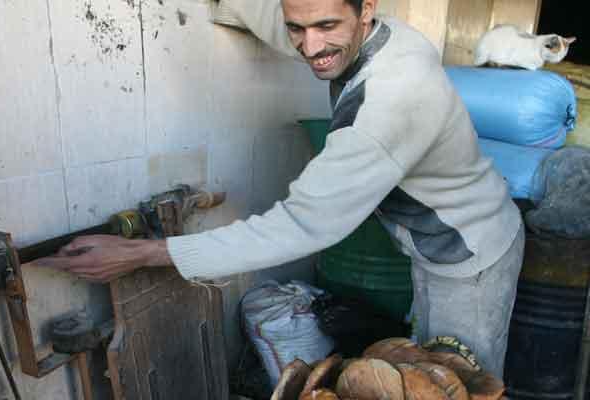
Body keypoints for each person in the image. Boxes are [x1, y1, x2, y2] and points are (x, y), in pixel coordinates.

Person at [35, 0, 524, 378]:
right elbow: (291, 19)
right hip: (438, 242)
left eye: (327, 28)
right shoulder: (381, 33)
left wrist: (142, 254)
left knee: (458, 381)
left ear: (366, 10)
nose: (310, 48)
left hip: (470, 256)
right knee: (429, 363)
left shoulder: (391, 101)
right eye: (298, 29)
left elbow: (299, 226)